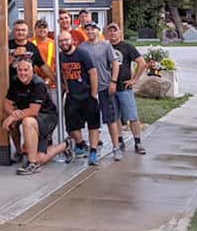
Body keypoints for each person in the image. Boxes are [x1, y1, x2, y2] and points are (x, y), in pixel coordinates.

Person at [3, 58, 73, 175]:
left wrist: (12, 117)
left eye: (26, 70)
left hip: (46, 117)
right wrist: (12, 113)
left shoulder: (38, 84)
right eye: (20, 70)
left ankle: (33, 163)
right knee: (16, 122)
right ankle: (22, 152)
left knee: (27, 121)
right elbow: (7, 103)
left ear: (32, 70)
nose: (23, 73)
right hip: (28, 115)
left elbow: (33, 111)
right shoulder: (15, 82)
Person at [80, 23, 122, 160]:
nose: (90, 31)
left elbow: (114, 63)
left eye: (93, 29)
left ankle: (116, 147)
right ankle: (95, 147)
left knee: (110, 119)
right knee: (93, 121)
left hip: (105, 86)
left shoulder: (106, 45)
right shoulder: (82, 47)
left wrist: (113, 81)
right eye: (87, 29)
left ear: (98, 31)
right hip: (90, 89)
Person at [58, 30, 100, 165]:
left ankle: (93, 151)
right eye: (61, 41)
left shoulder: (82, 54)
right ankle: (81, 144)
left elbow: (93, 73)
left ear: (72, 40)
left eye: (66, 40)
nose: (64, 43)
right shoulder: (60, 56)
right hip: (72, 96)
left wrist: (93, 94)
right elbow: (63, 73)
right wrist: (67, 88)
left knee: (93, 125)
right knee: (71, 127)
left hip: (87, 94)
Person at [106, 22, 147, 155]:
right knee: (115, 116)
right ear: (107, 33)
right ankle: (119, 140)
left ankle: (137, 142)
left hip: (124, 87)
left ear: (120, 32)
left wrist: (134, 79)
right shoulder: (105, 47)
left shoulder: (127, 47)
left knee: (132, 115)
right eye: (110, 31)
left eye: (115, 30)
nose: (113, 33)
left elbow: (141, 63)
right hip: (110, 88)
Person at [9, 19, 55, 84]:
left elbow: (42, 65)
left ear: (27, 32)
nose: (20, 32)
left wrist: (56, 80)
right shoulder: (7, 45)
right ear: (13, 31)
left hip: (29, 85)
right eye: (17, 30)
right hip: (10, 84)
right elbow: (0, 66)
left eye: (23, 30)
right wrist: (13, 55)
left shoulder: (32, 47)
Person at [31, 18, 56, 87]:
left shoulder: (54, 43)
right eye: (39, 28)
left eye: (44, 28)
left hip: (51, 82)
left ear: (48, 29)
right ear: (35, 29)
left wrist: (52, 77)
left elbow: (58, 63)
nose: (42, 30)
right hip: (33, 81)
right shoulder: (30, 43)